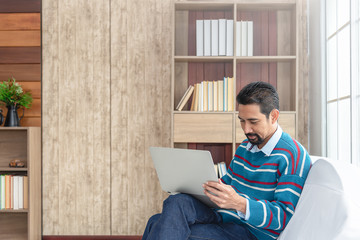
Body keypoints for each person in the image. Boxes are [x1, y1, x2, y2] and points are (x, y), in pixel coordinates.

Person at [142, 81, 312, 240]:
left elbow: (282, 218)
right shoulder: (245, 147)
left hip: (250, 232)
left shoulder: (293, 155)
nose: (246, 129)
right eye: (242, 121)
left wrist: (240, 203)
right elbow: (228, 184)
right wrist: (198, 186)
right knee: (175, 202)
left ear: (274, 116)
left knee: (157, 223)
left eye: (253, 122)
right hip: (224, 215)